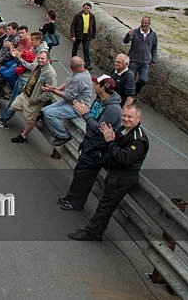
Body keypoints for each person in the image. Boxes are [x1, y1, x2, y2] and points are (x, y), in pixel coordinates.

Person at [68, 104, 149, 241]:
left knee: (105, 206)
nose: (126, 119)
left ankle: (91, 232)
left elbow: (124, 158)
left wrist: (110, 141)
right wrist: (109, 134)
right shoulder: (125, 129)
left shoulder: (138, 139)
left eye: (130, 117)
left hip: (123, 177)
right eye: (124, 116)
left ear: (138, 118)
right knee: (105, 204)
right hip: (115, 173)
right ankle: (96, 232)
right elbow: (116, 139)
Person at [58, 75, 123, 212]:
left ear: (102, 88)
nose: (94, 85)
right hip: (89, 143)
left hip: (97, 148)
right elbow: (92, 117)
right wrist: (85, 112)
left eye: (97, 84)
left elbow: (100, 129)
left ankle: (76, 203)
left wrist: (85, 114)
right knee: (80, 172)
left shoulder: (113, 109)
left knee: (85, 176)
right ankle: (70, 197)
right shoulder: (100, 100)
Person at [41, 56, 94, 147]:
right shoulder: (82, 72)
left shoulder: (79, 79)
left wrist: (52, 91)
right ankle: (55, 130)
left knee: (50, 113)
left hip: (76, 107)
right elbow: (68, 82)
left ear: (72, 68)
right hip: (70, 102)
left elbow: (68, 96)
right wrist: (56, 88)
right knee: (45, 110)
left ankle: (63, 136)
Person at [9, 51, 59, 143]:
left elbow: (49, 93)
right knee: (14, 106)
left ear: (48, 60)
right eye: (39, 58)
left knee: (30, 120)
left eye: (42, 58)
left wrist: (35, 100)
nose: (40, 60)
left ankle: (23, 136)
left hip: (34, 100)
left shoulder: (50, 74)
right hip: (26, 94)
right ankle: (36, 115)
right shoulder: (38, 66)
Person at [123, 16, 158, 97]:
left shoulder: (153, 35)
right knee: (130, 79)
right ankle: (127, 96)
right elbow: (126, 41)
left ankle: (135, 93)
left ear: (149, 24)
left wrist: (153, 60)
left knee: (143, 80)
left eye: (145, 22)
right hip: (133, 61)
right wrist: (128, 35)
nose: (143, 24)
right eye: (142, 22)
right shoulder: (135, 32)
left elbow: (154, 48)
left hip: (145, 62)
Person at [70, 2, 96, 70]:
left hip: (87, 35)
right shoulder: (78, 15)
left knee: (86, 50)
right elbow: (73, 26)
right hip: (78, 35)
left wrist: (93, 36)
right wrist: (73, 35)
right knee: (75, 48)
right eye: (85, 8)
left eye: (88, 8)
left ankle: (87, 64)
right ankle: (74, 61)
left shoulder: (92, 16)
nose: (86, 9)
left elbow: (94, 27)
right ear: (82, 8)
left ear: (90, 9)